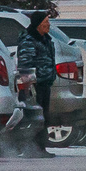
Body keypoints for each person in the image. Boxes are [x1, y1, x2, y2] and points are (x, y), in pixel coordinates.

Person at [16, 10, 58, 156]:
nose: (49, 25)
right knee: (34, 117)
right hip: (34, 86)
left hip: (45, 83)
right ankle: (32, 148)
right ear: (39, 24)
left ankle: (40, 147)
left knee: (43, 116)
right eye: (46, 22)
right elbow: (25, 65)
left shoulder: (45, 39)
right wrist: (30, 84)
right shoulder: (29, 40)